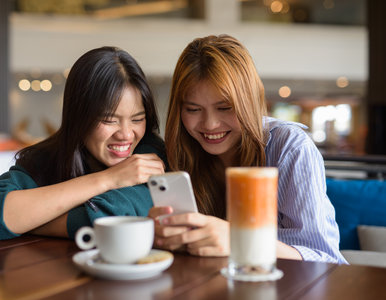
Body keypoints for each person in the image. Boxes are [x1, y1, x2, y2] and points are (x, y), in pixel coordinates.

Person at [149, 34, 347, 264]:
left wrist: (238, 239)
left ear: (248, 101)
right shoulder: (181, 152)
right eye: (193, 109)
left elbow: (327, 259)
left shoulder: (290, 147)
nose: (210, 124)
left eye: (224, 108)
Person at [0, 46, 166, 241]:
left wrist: (29, 222)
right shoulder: (47, 159)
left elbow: (113, 216)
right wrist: (108, 179)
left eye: (137, 119)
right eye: (109, 120)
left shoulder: (149, 152)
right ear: (79, 117)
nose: (126, 134)